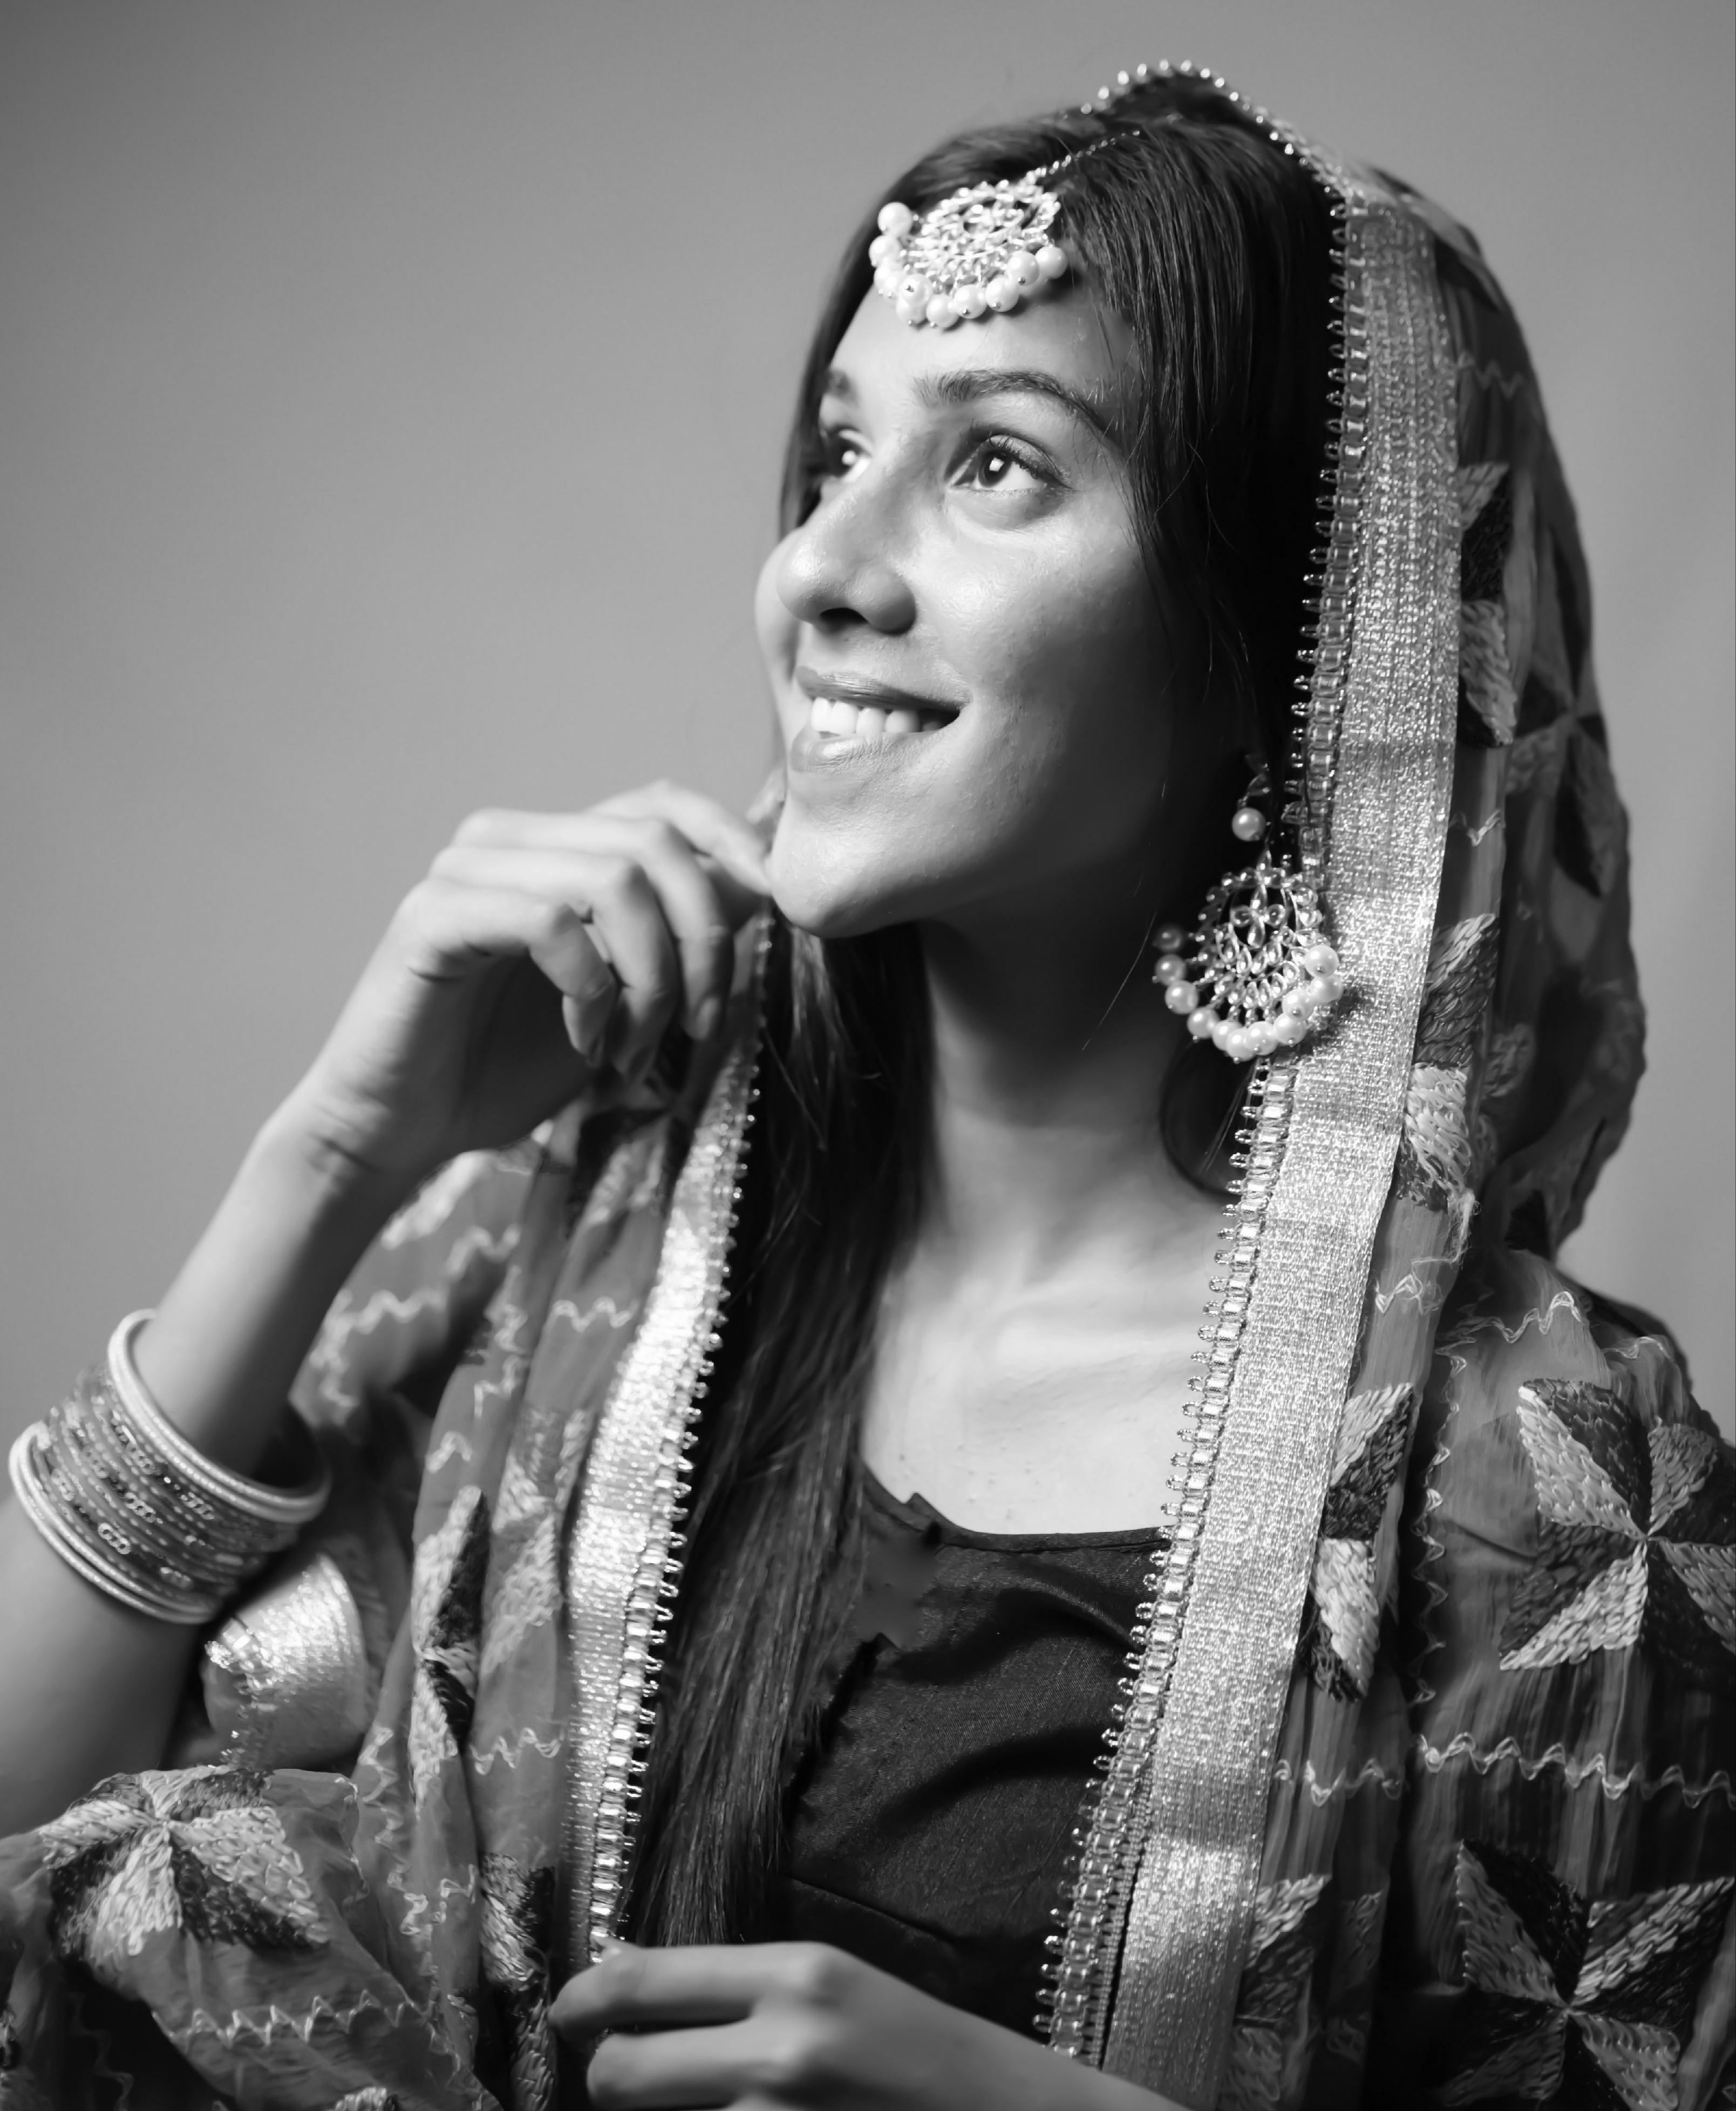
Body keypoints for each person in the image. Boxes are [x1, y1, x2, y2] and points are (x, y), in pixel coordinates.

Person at [0, 60, 1728, 2111]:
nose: (820, 564)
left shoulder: (1535, 1479)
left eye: (994, 463)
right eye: (837, 450)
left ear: (1287, 650)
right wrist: (331, 1158)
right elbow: (33, 1844)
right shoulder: (584, 1249)